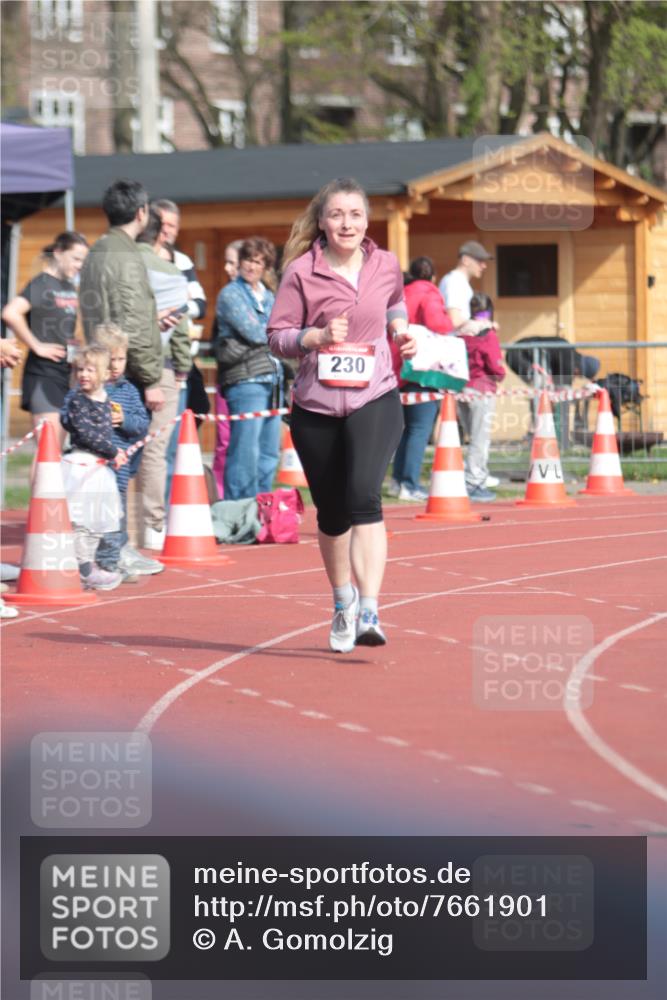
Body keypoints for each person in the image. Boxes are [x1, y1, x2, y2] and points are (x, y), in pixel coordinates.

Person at [267, 177, 416, 652]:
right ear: (322, 222)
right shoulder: (300, 273)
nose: (346, 223)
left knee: (364, 497)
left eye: (355, 214)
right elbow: (277, 336)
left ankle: (370, 609)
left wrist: (400, 330)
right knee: (332, 513)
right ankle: (342, 601)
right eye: (337, 215)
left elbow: (395, 302)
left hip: (376, 395)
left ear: (367, 221)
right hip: (317, 406)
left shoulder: (386, 264)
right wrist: (315, 338)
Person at [2, 231, 89, 450]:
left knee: (58, 452)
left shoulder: (68, 286)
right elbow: (11, 313)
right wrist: (36, 345)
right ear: (58, 253)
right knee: (48, 452)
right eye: (76, 258)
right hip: (43, 374)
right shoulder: (42, 283)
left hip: (65, 374)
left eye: (83, 261)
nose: (80, 265)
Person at [91, 324, 164, 579]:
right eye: (111, 359)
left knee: (117, 513)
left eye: (121, 359)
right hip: (94, 468)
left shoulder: (129, 391)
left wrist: (123, 422)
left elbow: (142, 425)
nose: (115, 365)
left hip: (119, 469)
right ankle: (95, 559)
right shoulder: (89, 391)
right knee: (92, 514)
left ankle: (115, 559)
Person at [215, 237, 283, 500]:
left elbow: (284, 329)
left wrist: (278, 333)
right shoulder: (230, 294)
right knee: (245, 450)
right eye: (248, 260)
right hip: (245, 379)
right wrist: (276, 334)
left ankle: (263, 507)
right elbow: (256, 332)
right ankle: (239, 508)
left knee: (268, 452)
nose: (252, 266)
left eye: (258, 262)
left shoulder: (269, 295)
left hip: (274, 378)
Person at [60, 345, 127, 591]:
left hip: (99, 469)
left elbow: (106, 434)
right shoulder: (78, 401)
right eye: (80, 369)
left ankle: (86, 565)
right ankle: (83, 568)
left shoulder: (106, 400)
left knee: (97, 520)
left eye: (90, 369)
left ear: (105, 374)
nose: (84, 374)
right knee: (79, 519)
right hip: (81, 466)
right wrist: (113, 452)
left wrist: (113, 452)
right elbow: (86, 433)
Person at [389, 256, 454, 501]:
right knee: (419, 428)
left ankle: (398, 481)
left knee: (407, 429)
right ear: (433, 276)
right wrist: (452, 322)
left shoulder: (401, 292)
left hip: (398, 368)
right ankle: (409, 484)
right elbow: (439, 324)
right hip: (420, 368)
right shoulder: (430, 293)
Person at [457, 293, 505, 502]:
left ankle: (471, 478)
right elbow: (495, 366)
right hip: (481, 390)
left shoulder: (461, 333)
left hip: (462, 389)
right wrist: (501, 374)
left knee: (471, 438)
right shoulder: (488, 333)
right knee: (479, 439)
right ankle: (475, 482)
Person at [212, 240, 243, 498]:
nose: (227, 267)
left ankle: (248, 497)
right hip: (227, 377)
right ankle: (220, 495)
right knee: (224, 441)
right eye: (227, 261)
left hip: (252, 379)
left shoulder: (264, 296)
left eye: (232, 262)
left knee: (248, 444)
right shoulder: (225, 295)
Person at [439, 240, 494, 332]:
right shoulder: (454, 281)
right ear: (465, 260)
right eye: (480, 260)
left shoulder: (458, 281)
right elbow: (454, 321)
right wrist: (483, 324)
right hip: (454, 343)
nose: (484, 266)